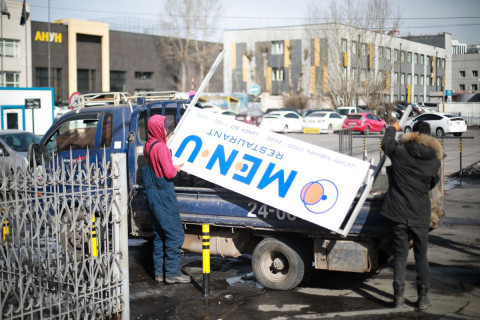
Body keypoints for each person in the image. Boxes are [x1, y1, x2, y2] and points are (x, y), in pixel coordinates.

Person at [381, 120, 442, 310]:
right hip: (420, 213)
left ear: (413, 133)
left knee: (400, 255)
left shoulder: (400, 151)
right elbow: (433, 183)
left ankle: (398, 297)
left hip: (398, 212)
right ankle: (423, 298)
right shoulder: (434, 160)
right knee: (421, 256)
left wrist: (393, 128)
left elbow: (385, 143)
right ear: (429, 137)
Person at [142, 115, 190, 284]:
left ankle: (158, 273)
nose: (164, 129)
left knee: (160, 234)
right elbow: (169, 173)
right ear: (156, 128)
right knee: (175, 234)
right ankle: (171, 273)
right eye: (162, 127)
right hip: (163, 194)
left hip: (151, 193)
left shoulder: (148, 145)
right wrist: (176, 167)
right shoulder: (161, 147)